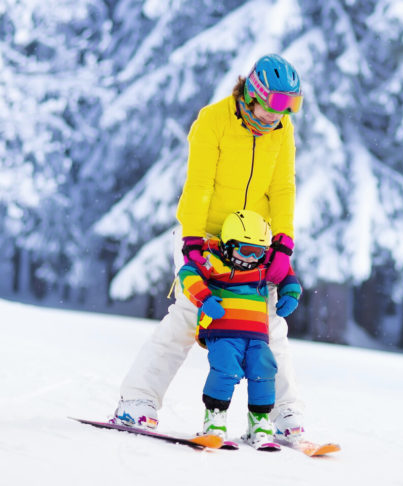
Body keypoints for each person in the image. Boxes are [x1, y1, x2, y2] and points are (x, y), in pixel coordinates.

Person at [111, 53, 306, 441]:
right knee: (188, 317)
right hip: (208, 240)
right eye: (277, 105)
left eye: (291, 106)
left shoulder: (282, 130)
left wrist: (283, 245)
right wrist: (194, 243)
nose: (280, 116)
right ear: (254, 93)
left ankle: (284, 414)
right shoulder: (213, 121)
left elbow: (282, 188)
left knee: (269, 327)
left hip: (256, 245)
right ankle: (138, 401)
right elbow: (199, 185)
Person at [179, 210, 301, 447]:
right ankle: (214, 420)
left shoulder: (264, 265)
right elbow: (188, 273)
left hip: (257, 334)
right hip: (223, 330)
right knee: (225, 370)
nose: (252, 258)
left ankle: (260, 422)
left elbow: (287, 273)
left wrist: (291, 294)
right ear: (227, 245)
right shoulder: (212, 259)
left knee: (264, 371)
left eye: (258, 252)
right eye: (245, 250)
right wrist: (204, 298)